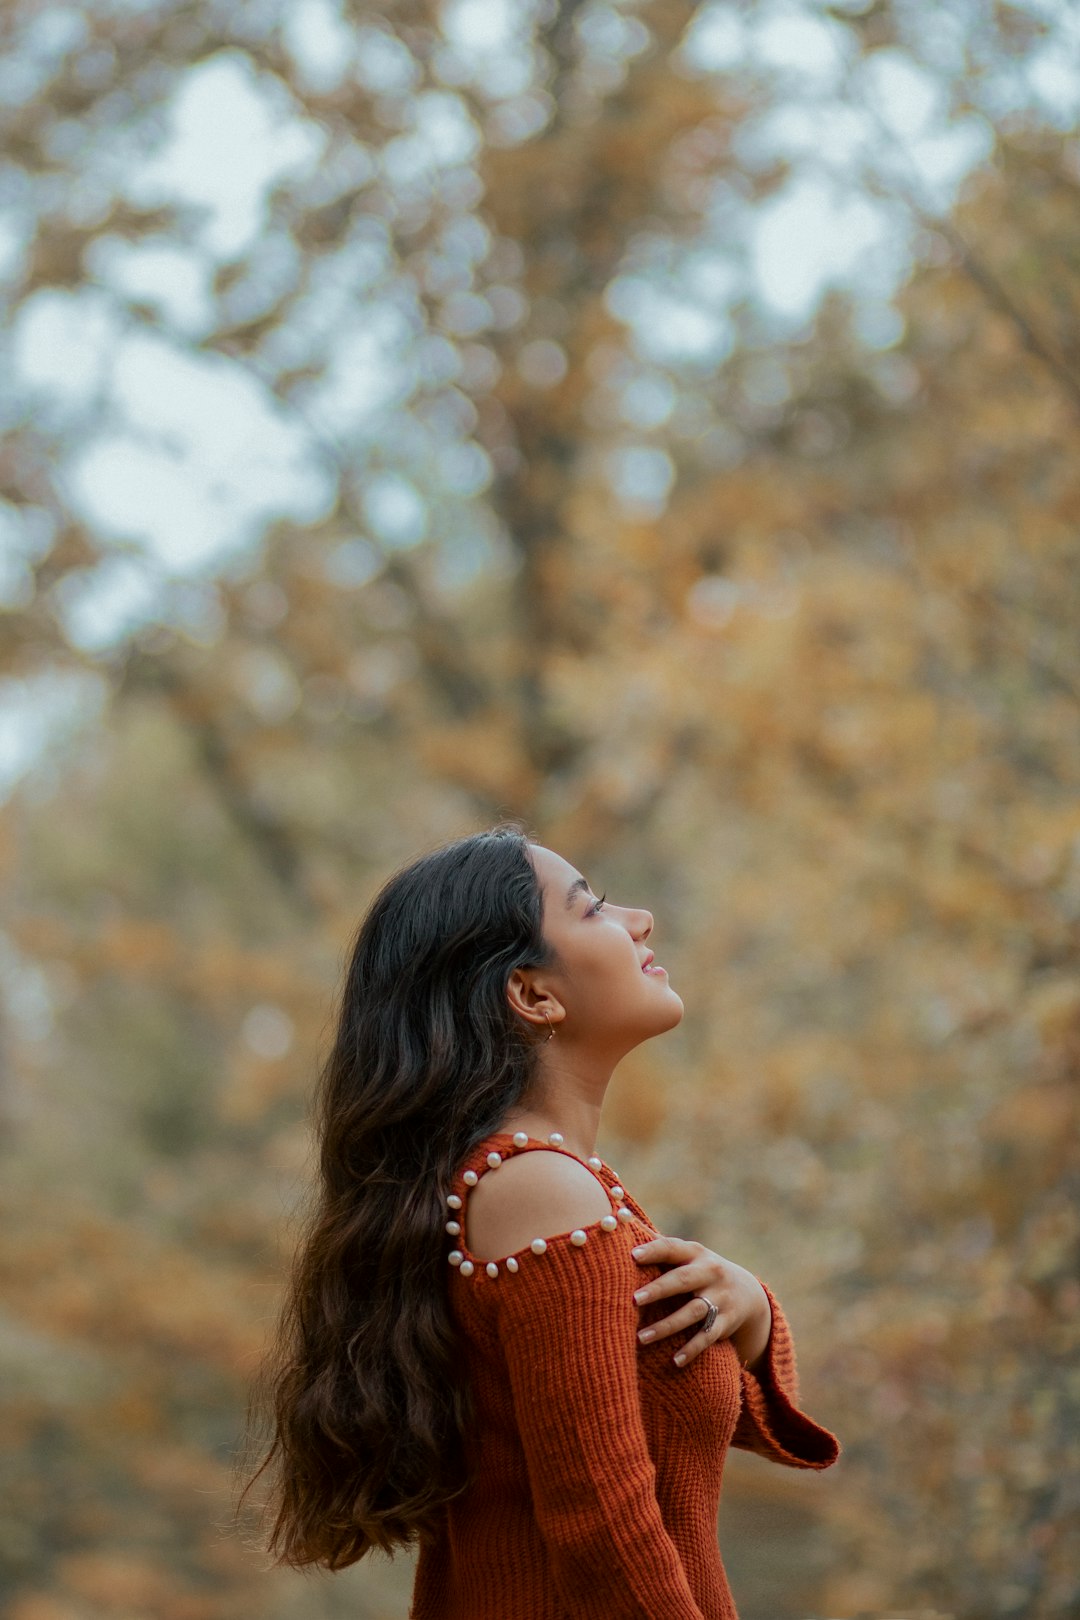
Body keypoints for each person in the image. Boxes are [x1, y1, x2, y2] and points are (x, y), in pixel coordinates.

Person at [241, 823, 841, 1619]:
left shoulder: (547, 1187)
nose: (640, 920)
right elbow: (604, 1522)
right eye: (591, 909)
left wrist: (754, 1314)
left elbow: (676, 1443)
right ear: (533, 993)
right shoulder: (540, 1193)